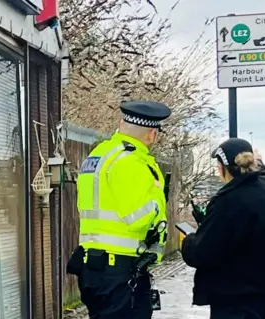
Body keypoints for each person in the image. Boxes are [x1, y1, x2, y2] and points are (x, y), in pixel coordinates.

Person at [67, 100, 171, 319]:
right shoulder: (130, 161)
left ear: (121, 124)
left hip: (95, 267)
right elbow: (137, 218)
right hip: (119, 269)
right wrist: (156, 195)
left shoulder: (100, 154)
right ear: (152, 134)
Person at [181, 138, 265, 319]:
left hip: (235, 295)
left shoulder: (230, 200)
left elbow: (203, 252)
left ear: (223, 167)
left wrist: (189, 241)